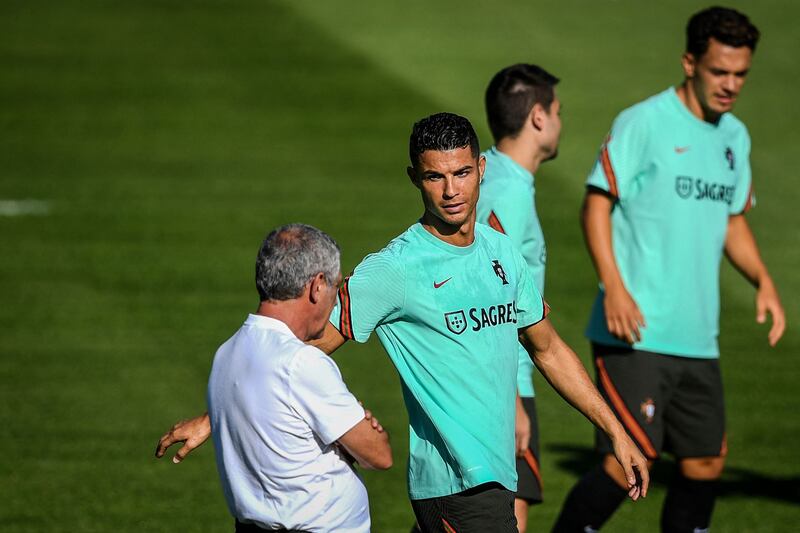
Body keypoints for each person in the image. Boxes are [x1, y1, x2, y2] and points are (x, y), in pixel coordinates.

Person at [157, 113, 649, 532]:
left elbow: (548, 349)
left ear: (481, 170)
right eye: (435, 177)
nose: (452, 190)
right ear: (414, 178)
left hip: (497, 475)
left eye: (461, 173)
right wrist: (215, 416)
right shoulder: (395, 269)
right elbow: (305, 346)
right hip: (455, 483)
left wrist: (616, 431)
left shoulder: (503, 252)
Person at [552, 7, 786, 532]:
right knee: (628, 459)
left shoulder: (735, 138)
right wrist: (613, 287)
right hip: (635, 330)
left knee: (706, 463)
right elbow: (596, 204)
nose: (730, 85)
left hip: (699, 336)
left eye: (740, 74)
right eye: (719, 71)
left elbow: (732, 222)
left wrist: (763, 281)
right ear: (689, 62)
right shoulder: (644, 122)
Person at [205, 224, 392, 532]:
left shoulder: (227, 353)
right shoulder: (301, 362)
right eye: (335, 287)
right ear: (317, 285)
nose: (335, 301)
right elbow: (379, 454)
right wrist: (358, 426)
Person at [475, 63, 561, 533]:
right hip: (500, 383)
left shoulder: (499, 182)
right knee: (509, 518)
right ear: (539, 118)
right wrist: (512, 399)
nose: (560, 123)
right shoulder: (506, 192)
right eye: (558, 111)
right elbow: (492, 299)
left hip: (495, 379)